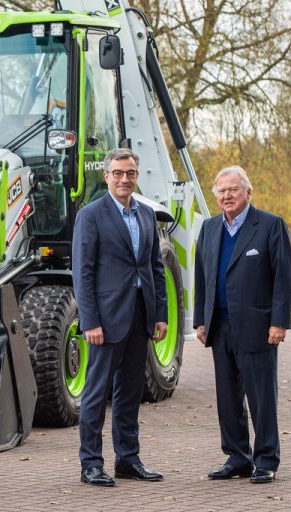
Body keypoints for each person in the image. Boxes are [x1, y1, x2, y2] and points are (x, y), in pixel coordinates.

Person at [72, 148, 168, 487]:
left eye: (130, 173)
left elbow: (155, 268)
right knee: (96, 394)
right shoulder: (91, 215)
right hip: (106, 321)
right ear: (107, 176)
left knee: (129, 394)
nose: (124, 179)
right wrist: (90, 321)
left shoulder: (145, 214)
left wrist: (160, 315)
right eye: (117, 173)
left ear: (136, 175)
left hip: (141, 317)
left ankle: (127, 459)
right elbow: (82, 273)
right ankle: (91, 464)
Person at [194, 165, 291, 484]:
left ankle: (266, 459)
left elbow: (284, 278)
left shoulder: (269, 225)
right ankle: (238, 456)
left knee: (261, 396)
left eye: (233, 190)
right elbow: (201, 276)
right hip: (219, 325)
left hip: (257, 326)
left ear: (247, 192)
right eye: (221, 191)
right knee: (227, 396)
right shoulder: (209, 228)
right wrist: (200, 319)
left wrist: (279, 322)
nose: (226, 196)